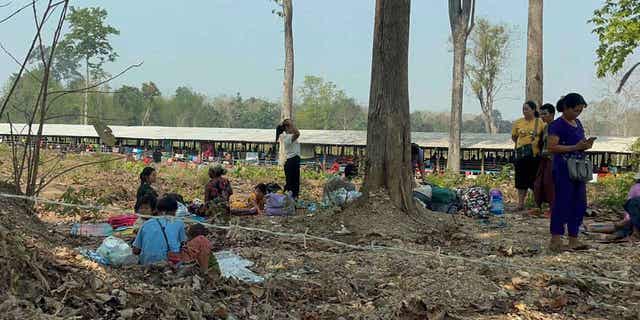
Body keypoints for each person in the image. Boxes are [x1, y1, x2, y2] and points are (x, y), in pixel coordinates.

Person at [547, 93, 594, 252]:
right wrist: (574, 147)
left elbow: (579, 143)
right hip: (563, 168)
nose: (578, 113)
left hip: (579, 168)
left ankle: (573, 238)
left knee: (579, 203)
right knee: (562, 202)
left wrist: (585, 145)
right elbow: (552, 147)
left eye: (580, 111)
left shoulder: (578, 123)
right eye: (575, 110)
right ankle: (556, 239)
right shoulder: (556, 125)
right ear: (566, 108)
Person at [585, 172, 640, 241]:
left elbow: (631, 207)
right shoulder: (636, 188)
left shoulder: (635, 188)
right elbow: (632, 209)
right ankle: (597, 231)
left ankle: (596, 230)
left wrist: (627, 219)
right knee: (626, 226)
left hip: (633, 219)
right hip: (634, 218)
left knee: (625, 226)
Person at [132, 196, 187, 265]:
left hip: (147, 262)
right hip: (171, 261)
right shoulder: (179, 223)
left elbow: (136, 250)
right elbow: (183, 243)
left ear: (157, 210)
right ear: (175, 210)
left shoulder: (146, 224)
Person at [512, 101, 544, 212]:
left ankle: (537, 204)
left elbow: (544, 138)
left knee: (535, 181)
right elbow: (514, 138)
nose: (524, 111)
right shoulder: (518, 122)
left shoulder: (540, 122)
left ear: (534, 110)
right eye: (523, 109)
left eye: (527, 109)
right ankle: (520, 204)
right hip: (521, 157)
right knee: (520, 181)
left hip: (535, 156)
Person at [533, 102, 557, 216]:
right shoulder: (546, 127)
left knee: (550, 184)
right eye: (541, 114)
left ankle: (553, 209)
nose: (542, 116)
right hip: (543, 159)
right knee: (539, 183)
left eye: (545, 114)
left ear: (552, 114)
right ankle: (538, 207)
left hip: (553, 159)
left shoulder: (557, 126)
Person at [277, 119, 301, 199]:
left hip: (294, 161)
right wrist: (291, 125)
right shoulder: (286, 137)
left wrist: (290, 125)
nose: (293, 128)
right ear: (286, 128)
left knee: (295, 182)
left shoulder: (288, 136)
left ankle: (293, 200)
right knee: (291, 183)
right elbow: (297, 133)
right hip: (292, 161)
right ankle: (287, 199)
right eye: (291, 126)